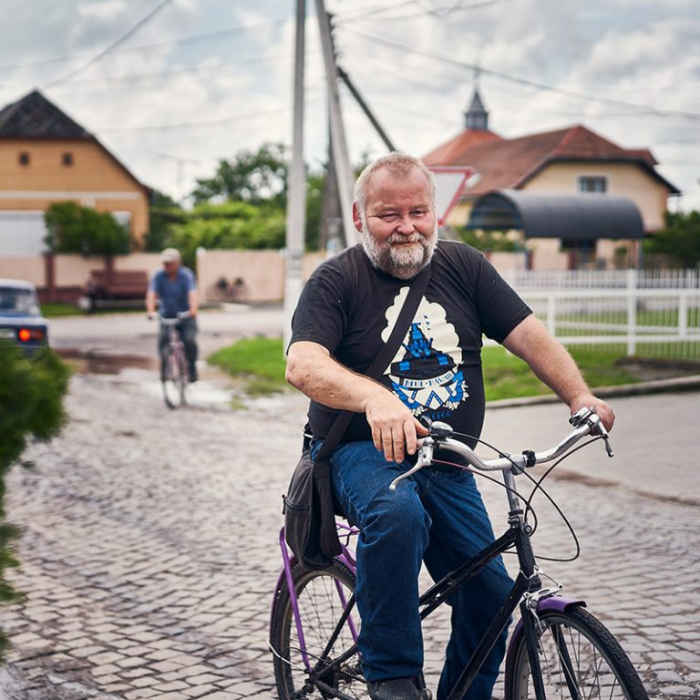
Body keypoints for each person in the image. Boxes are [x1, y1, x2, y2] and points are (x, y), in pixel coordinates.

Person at [285, 152, 615, 700]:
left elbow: (529, 335)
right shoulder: (336, 280)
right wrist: (374, 399)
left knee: (489, 597)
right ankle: (392, 678)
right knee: (397, 513)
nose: (407, 226)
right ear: (360, 217)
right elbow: (303, 363)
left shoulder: (465, 267)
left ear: (435, 211)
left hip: (449, 459)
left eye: (419, 211)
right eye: (390, 214)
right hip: (361, 454)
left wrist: (580, 396)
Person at [146, 248, 199, 382]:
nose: (167, 266)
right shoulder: (158, 275)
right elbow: (151, 293)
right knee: (163, 338)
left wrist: (193, 310)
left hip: (185, 314)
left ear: (178, 263)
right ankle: (165, 366)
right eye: (165, 264)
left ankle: (191, 367)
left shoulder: (186, 275)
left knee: (189, 340)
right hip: (167, 314)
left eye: (170, 263)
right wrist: (151, 310)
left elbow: (192, 293)